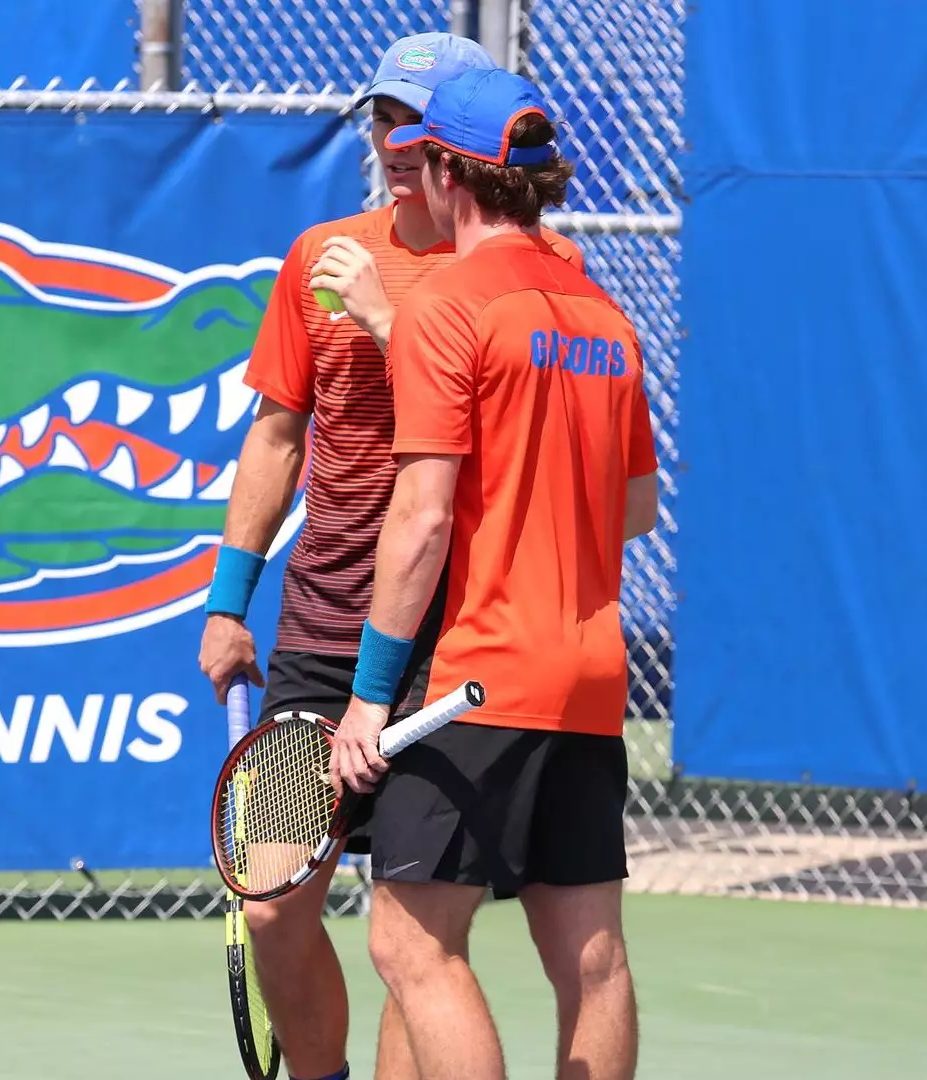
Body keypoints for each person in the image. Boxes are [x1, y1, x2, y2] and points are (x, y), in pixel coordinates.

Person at [197, 33, 586, 1080]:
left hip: (449, 642)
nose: (392, 142)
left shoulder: (530, 269)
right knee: (274, 900)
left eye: (412, 123)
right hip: (320, 635)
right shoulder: (317, 254)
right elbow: (275, 436)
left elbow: (509, 431)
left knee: (415, 935)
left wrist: (384, 320)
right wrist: (230, 602)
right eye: (379, 120)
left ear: (455, 145)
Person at [329, 69, 659, 1080]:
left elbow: (421, 521)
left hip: (477, 679)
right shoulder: (600, 313)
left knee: (409, 944)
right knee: (590, 958)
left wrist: (366, 700)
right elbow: (636, 509)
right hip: (592, 678)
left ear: (442, 173)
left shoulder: (444, 308)